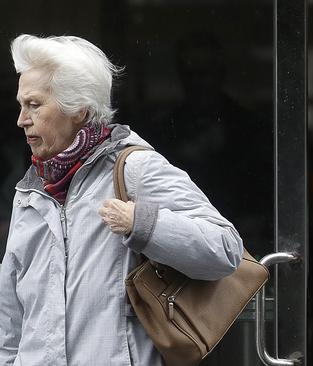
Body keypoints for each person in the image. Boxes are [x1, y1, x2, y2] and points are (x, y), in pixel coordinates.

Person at [0, 34, 244, 365]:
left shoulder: (134, 168)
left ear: (79, 109)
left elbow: (225, 250)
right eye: (21, 105)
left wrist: (142, 225)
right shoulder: (30, 192)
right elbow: (10, 318)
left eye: (34, 104)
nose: (21, 119)